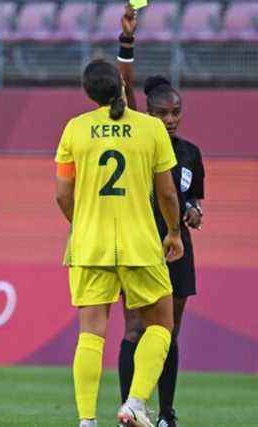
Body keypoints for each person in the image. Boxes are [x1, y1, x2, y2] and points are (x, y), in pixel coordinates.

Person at [55, 58, 184, 427]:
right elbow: (168, 194)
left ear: (88, 93)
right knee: (161, 325)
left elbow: (63, 195)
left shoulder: (74, 130)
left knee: (91, 333)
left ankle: (86, 419)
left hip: (89, 245)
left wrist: (84, 225)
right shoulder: (151, 129)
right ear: (123, 88)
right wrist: (173, 232)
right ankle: (135, 403)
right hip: (141, 244)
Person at [115, 8, 206, 427]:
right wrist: (127, 41)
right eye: (162, 113)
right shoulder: (139, 137)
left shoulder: (190, 153)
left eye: (175, 113)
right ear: (147, 113)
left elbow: (193, 198)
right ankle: (128, 408)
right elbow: (123, 85)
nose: (169, 120)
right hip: (140, 242)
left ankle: (166, 413)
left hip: (177, 248)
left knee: (169, 333)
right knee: (135, 328)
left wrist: (193, 212)